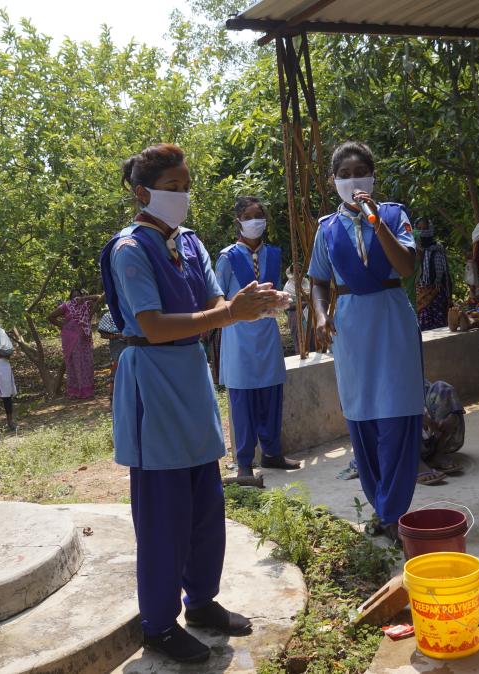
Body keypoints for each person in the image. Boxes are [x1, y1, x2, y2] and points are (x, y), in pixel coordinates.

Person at [99, 143, 285, 662]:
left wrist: (253, 305)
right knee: (163, 514)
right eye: (172, 188)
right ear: (143, 192)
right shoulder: (130, 249)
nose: (182, 196)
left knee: (205, 503)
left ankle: (201, 601)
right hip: (153, 381)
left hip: (191, 378)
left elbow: (212, 305)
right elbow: (153, 325)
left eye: (186, 187)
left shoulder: (190, 244)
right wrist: (228, 317)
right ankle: (158, 624)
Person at [309, 141, 423, 542]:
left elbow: (407, 266)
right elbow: (319, 281)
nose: (353, 180)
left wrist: (378, 223)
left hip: (392, 321)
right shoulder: (326, 228)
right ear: (334, 181)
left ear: (373, 177)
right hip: (352, 328)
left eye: (360, 172)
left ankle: (394, 511)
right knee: (363, 419)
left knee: (397, 417)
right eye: (344, 174)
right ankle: (380, 506)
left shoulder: (394, 215)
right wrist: (322, 315)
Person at [217, 196, 299, 477]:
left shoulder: (273, 254)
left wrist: (281, 299)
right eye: (250, 216)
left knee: (271, 393)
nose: (256, 221)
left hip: (266, 331)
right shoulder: (227, 258)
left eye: (260, 215)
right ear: (238, 221)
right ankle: (243, 462)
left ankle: (272, 453)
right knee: (243, 399)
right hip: (239, 335)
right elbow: (218, 301)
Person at [48, 289, 103, 399]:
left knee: (86, 363)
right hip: (70, 339)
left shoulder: (87, 305)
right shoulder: (66, 306)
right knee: (74, 364)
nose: (76, 298)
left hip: (85, 339)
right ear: (70, 298)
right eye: (74, 296)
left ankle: (87, 391)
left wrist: (84, 299)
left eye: (78, 295)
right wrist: (63, 325)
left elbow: (99, 297)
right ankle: (75, 392)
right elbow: (50, 317)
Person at [414, 217, 452, 331]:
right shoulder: (412, 250)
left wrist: (449, 295)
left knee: (440, 326)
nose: (422, 231)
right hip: (419, 294)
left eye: (425, 228)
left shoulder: (438, 250)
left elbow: (445, 274)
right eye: (419, 228)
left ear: (430, 229)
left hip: (437, 294)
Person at [97, 310, 127, 400]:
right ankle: (113, 395)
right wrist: (118, 336)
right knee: (117, 366)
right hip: (117, 344)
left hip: (132, 342)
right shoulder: (109, 315)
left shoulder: (129, 310)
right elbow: (103, 334)